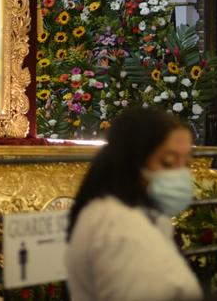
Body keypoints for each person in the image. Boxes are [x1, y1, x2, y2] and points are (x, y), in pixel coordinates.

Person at [66, 108, 203, 301]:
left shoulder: (141, 215)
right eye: (168, 162)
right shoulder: (119, 228)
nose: (179, 174)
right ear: (133, 160)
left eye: (186, 163)